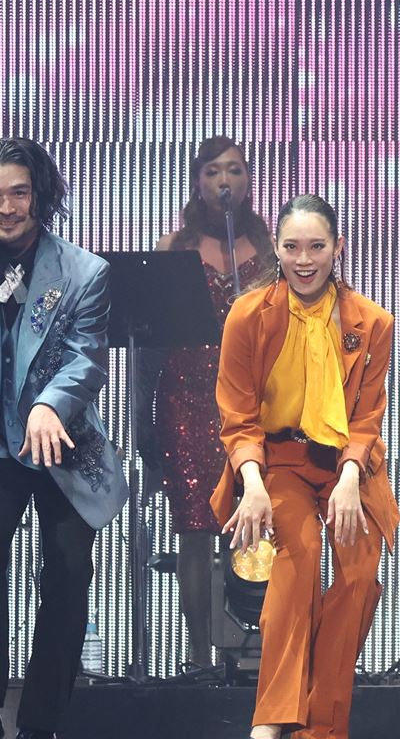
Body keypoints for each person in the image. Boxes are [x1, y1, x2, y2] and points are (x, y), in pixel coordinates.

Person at [0, 138, 127, 739]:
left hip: (62, 442)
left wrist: (50, 405)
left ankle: (41, 721)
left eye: (19, 193)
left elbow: (85, 357)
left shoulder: (84, 272)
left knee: (71, 567)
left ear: (40, 194)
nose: (6, 208)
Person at [211, 194, 399, 739]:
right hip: (278, 462)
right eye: (292, 246)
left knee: (359, 574)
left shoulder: (372, 321)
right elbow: (237, 413)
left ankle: (321, 728)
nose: (304, 260)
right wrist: (251, 482)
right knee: (298, 559)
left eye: (317, 246)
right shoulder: (248, 315)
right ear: (275, 248)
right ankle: (272, 721)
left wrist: (349, 476)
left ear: (338, 248)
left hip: (347, 465)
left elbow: (367, 416)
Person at [150, 136, 273, 665]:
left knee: (254, 529)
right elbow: (151, 341)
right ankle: (200, 658)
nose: (225, 181)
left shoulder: (273, 249)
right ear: (197, 182)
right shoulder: (172, 249)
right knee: (195, 531)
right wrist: (142, 421)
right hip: (186, 398)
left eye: (235, 171)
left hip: (254, 403)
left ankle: (256, 655)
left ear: (248, 182)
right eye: (213, 171)